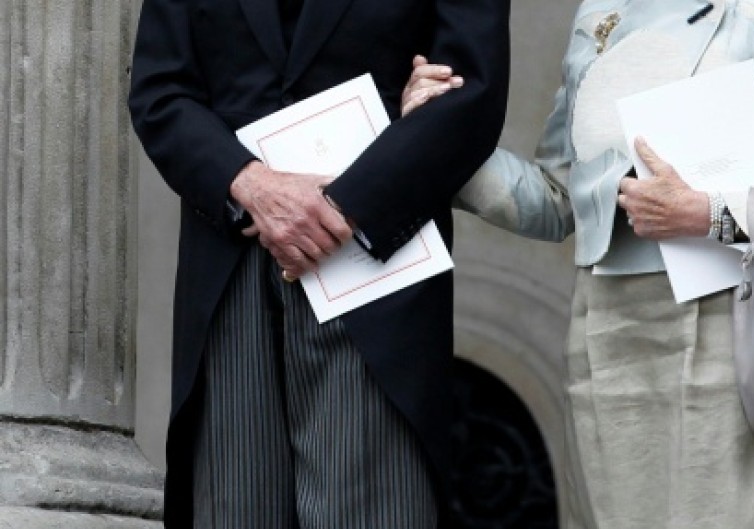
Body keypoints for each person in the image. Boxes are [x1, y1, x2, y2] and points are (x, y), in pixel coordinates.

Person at [401, 0, 754, 528]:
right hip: (604, 331)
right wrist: (439, 138)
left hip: (729, 328)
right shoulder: (598, 15)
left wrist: (709, 214)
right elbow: (558, 199)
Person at [127, 0, 510, 526]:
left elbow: (470, 91)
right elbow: (160, 90)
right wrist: (251, 185)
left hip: (376, 272)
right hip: (228, 266)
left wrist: (343, 208)